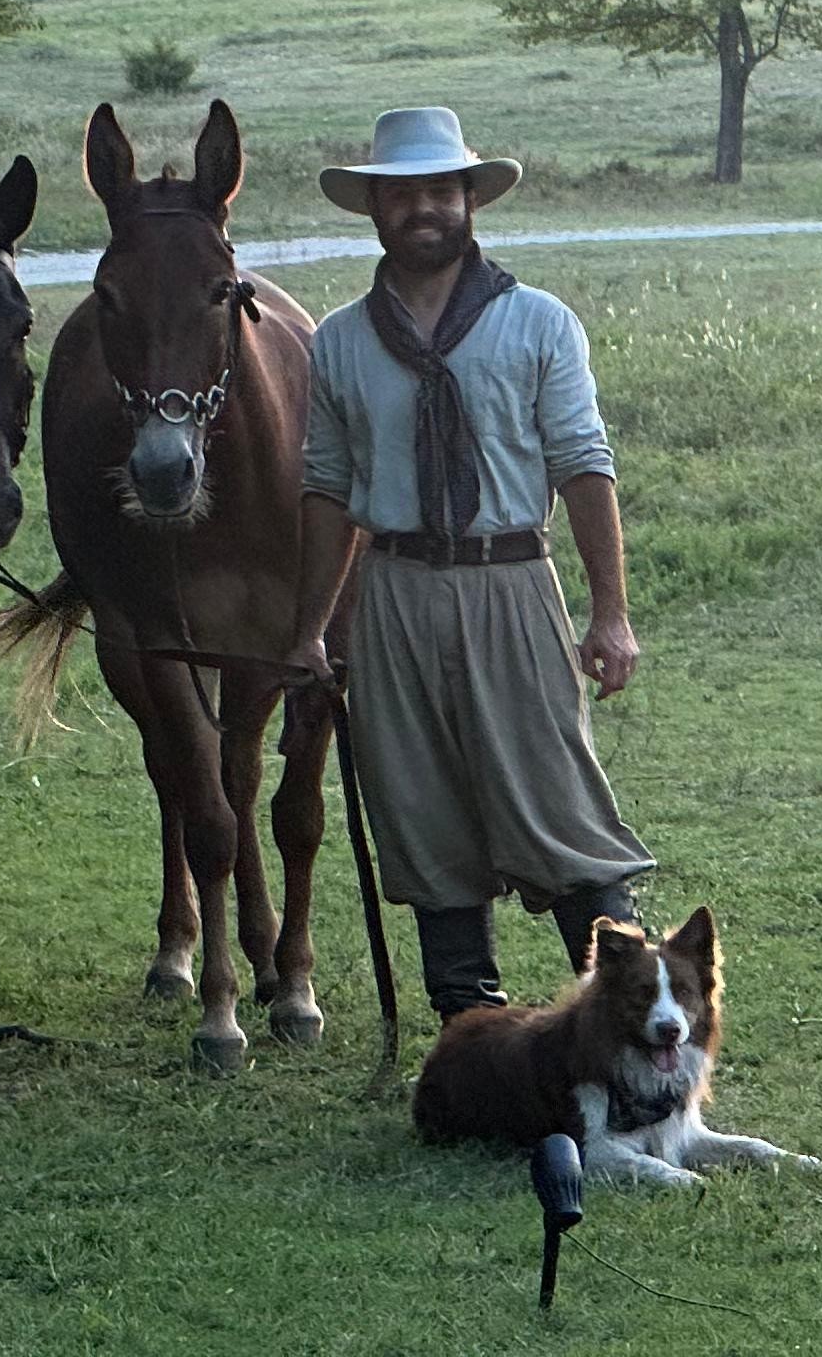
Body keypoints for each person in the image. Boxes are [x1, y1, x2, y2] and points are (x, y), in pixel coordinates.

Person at [281, 105, 652, 1016]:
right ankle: (470, 1034)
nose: (422, 210)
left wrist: (610, 612)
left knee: (560, 809)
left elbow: (583, 465)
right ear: (374, 209)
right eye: (401, 194)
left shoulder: (537, 323)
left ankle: (641, 1030)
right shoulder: (338, 341)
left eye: (438, 191)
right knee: (421, 815)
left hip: (511, 582)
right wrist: (310, 631)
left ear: (468, 201)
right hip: (395, 594)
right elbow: (328, 491)